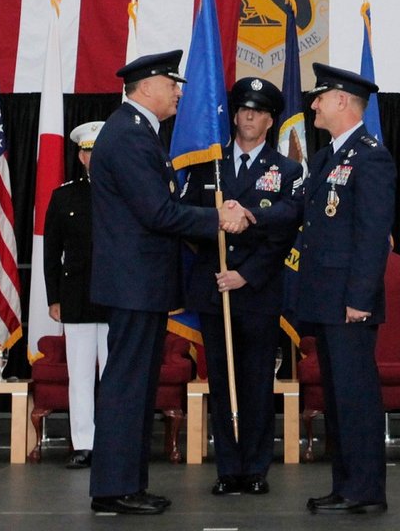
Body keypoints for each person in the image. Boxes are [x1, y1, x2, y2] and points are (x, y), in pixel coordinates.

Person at [87, 51, 252, 516]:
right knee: (127, 386)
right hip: (133, 284)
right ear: (144, 87)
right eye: (171, 83)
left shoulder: (137, 132)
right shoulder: (128, 137)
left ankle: (126, 484)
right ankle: (114, 487)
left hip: (140, 283)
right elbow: (158, 213)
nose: (179, 90)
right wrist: (218, 217)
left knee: (137, 387)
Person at [182, 76, 304, 496]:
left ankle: (254, 468)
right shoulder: (206, 165)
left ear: (271, 120)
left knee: (254, 382)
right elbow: (185, 219)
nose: (249, 117)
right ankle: (227, 468)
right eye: (243, 110)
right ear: (233, 115)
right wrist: (216, 229)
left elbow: (287, 228)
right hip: (214, 287)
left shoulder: (286, 171)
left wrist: (246, 273)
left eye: (258, 112)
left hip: (257, 291)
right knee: (221, 380)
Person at [293, 63, 395, 516]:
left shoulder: (370, 156)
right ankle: (345, 484)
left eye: (320, 97)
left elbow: (374, 235)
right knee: (337, 398)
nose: (313, 104)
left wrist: (360, 298)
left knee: (357, 398)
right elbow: (303, 217)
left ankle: (367, 489)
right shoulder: (324, 157)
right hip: (326, 298)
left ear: (342, 102)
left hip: (350, 302)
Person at [43, 119, 109, 469]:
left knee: (114, 375)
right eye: (88, 151)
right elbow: (51, 251)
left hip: (117, 296)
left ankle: (114, 442)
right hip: (78, 295)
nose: (93, 157)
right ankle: (84, 443)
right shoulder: (64, 194)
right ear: (81, 156)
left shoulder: (125, 188)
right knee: (80, 374)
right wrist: (54, 297)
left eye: (99, 151)